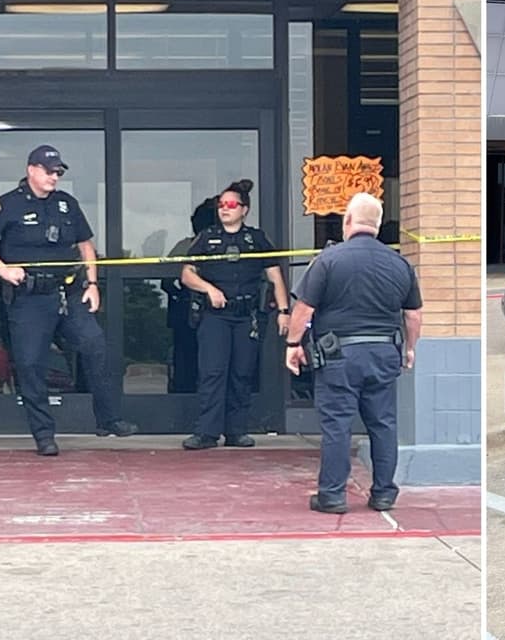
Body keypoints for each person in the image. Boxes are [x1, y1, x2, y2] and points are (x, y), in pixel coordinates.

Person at [0, 144, 138, 456]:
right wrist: (2, 270)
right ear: (31, 170)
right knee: (30, 365)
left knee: (95, 346)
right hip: (29, 299)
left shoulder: (66, 204)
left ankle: (109, 419)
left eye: (58, 171)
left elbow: (86, 245)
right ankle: (44, 435)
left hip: (67, 292)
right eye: (49, 170)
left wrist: (93, 284)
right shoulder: (7, 205)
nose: (54, 176)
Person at [286, 192, 423, 514]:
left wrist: (293, 345)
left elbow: (304, 309)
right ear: (377, 225)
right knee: (383, 424)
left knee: (337, 425)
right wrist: (410, 349)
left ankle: (332, 496)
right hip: (384, 353)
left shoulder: (329, 260)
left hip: (339, 356)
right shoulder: (399, 262)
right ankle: (384, 494)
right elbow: (414, 314)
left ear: (348, 221)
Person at [179, 179, 289, 450]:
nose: (224, 209)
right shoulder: (206, 238)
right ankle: (206, 433)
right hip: (215, 316)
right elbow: (186, 274)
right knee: (212, 372)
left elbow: (275, 277)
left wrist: (284, 311)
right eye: (221, 205)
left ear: (244, 209)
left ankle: (237, 431)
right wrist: (209, 290)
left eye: (230, 205)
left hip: (247, 315)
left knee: (242, 373)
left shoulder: (257, 239)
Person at [162, 196, 218, 393]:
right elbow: (166, 279)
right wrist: (184, 296)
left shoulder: (185, 245)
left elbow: (166, 282)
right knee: (188, 358)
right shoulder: (186, 246)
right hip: (188, 313)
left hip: (211, 313)